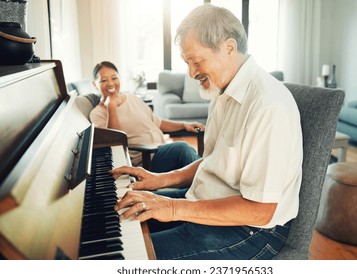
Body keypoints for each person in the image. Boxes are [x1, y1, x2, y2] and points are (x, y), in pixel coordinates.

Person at [111, 4, 303, 260]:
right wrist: (161, 180)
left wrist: (170, 207)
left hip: (251, 230)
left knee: (126, 259)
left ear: (229, 48)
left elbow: (261, 211)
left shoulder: (268, 106)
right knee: (116, 221)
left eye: (197, 60)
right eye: (187, 62)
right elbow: (215, 160)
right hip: (209, 199)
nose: (191, 72)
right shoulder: (223, 90)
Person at [90, 61, 205, 172]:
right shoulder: (97, 114)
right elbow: (115, 143)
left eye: (114, 78)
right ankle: (206, 181)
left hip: (160, 150)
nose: (110, 83)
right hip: (145, 160)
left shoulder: (131, 98)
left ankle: (202, 181)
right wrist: (111, 107)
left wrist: (184, 125)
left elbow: (158, 123)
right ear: (95, 85)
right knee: (182, 149)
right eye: (103, 80)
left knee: (188, 160)